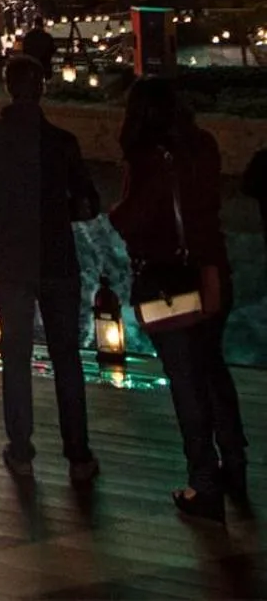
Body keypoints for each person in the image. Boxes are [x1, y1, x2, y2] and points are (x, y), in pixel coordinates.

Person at [109, 78, 248, 521]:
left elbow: (134, 218)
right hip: (213, 275)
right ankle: (235, 463)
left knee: (186, 382)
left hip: (172, 285)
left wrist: (117, 212)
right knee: (212, 370)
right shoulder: (203, 145)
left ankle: (203, 484)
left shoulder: (147, 159)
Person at [0, 56, 101, 484]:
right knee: (67, 358)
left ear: (8, 88)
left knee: (16, 357)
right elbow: (88, 202)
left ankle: (21, 449)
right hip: (57, 256)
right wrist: (63, 211)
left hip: (11, 257)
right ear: (42, 88)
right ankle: (78, 453)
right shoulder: (62, 142)